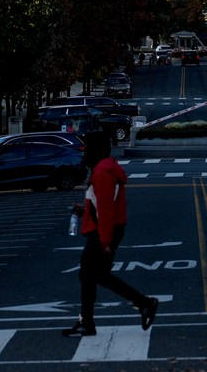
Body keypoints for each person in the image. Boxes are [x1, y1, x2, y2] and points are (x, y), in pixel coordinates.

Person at [63, 131, 158, 337]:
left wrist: (105, 243)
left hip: (103, 232)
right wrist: (84, 211)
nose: (84, 154)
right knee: (97, 276)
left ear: (95, 151)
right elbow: (102, 205)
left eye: (87, 149)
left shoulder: (102, 173)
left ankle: (141, 304)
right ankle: (141, 304)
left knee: (89, 275)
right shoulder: (105, 169)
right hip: (106, 230)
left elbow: (106, 211)